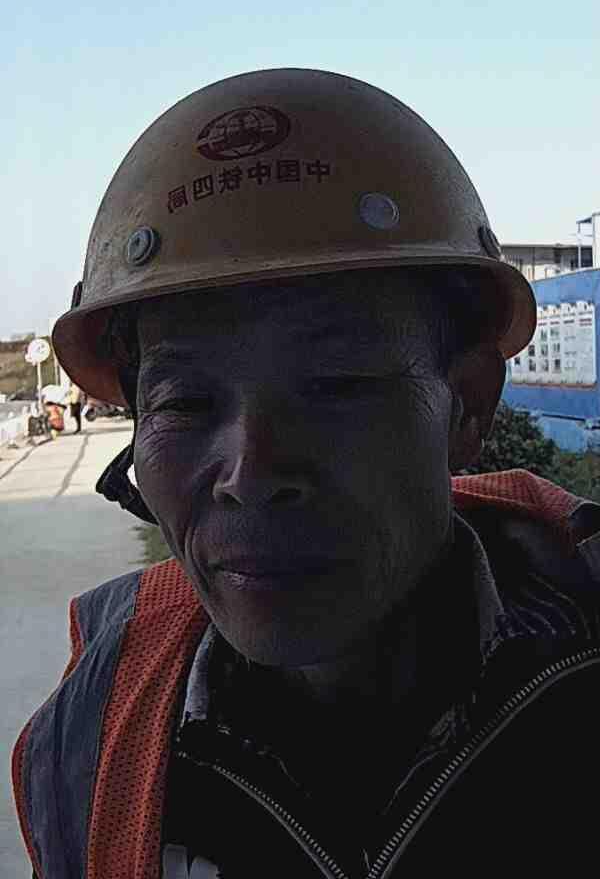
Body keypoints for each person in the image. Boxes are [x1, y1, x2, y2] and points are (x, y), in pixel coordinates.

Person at [13, 70, 600, 879]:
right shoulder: (89, 734)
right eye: (185, 401)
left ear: (466, 407)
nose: (251, 474)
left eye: (336, 387)